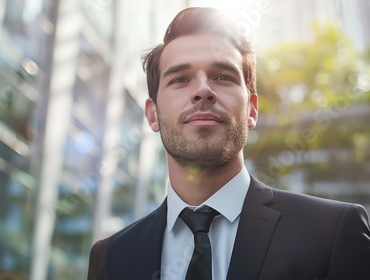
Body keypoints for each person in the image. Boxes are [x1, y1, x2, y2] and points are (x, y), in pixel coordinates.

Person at [87, 7, 370, 280]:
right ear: (152, 114)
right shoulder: (110, 258)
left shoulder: (332, 232)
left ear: (252, 109)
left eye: (223, 76)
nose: (202, 90)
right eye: (180, 79)